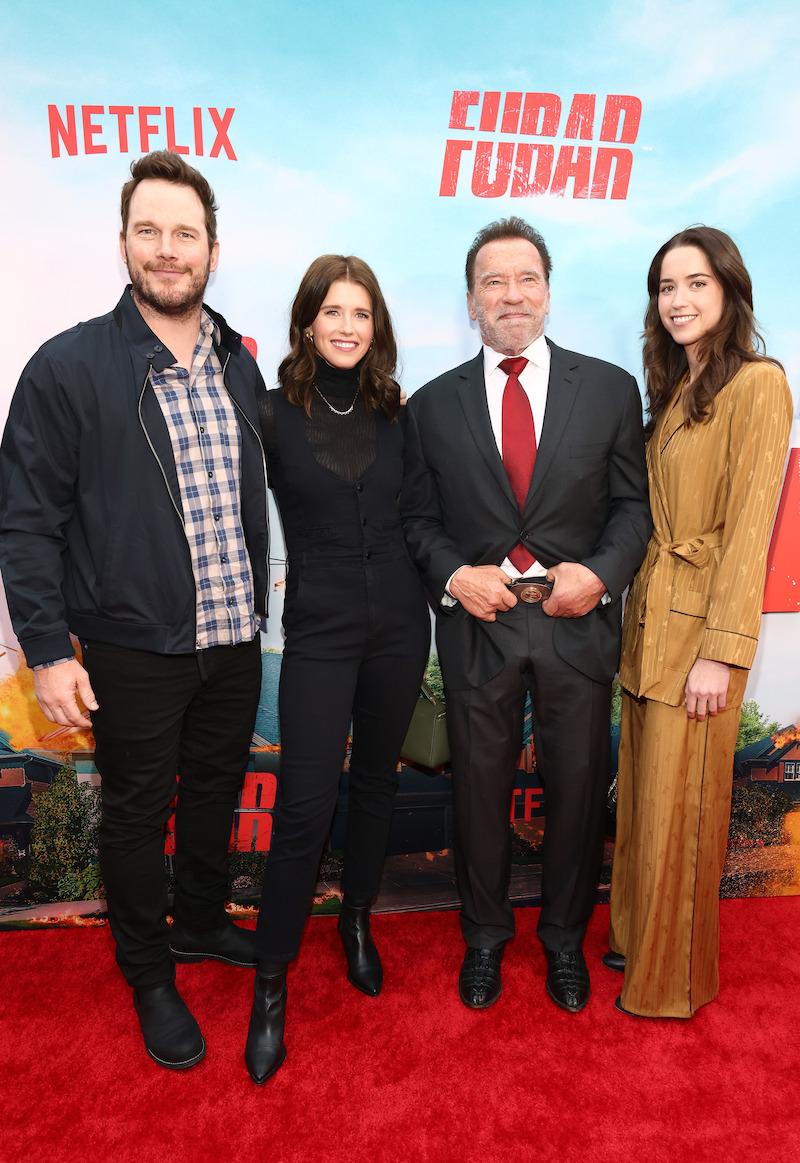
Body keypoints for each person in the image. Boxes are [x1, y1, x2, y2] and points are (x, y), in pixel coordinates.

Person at [0, 151, 270, 1070]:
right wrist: (46, 648)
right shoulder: (66, 367)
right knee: (134, 812)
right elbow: (26, 521)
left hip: (234, 639)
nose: (167, 250)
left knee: (211, 798)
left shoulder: (241, 364)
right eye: (148, 231)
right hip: (129, 646)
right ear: (123, 243)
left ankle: (197, 922)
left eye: (184, 233)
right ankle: (148, 969)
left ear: (212, 249)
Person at [400, 217, 651, 1013]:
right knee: (477, 793)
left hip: (577, 621)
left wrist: (602, 577)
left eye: (526, 278)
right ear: (470, 301)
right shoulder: (432, 405)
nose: (511, 294)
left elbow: (633, 510)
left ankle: (564, 943)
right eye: (493, 282)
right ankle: (484, 937)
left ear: (548, 291)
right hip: (480, 625)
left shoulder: (610, 388)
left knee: (578, 790)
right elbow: (417, 520)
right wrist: (454, 575)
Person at [244, 255, 430, 1085]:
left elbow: (423, 516)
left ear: (375, 325)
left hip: (400, 624)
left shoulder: (399, 414)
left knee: (380, 785)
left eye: (361, 312)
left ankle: (357, 920)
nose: (347, 325)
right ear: (308, 322)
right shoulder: (272, 415)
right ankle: (271, 986)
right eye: (333, 311)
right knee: (304, 806)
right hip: (317, 631)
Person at [606, 226, 793, 1018]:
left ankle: (669, 983)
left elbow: (752, 526)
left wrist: (722, 653)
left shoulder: (759, 383)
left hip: (701, 639)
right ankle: (633, 939)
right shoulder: (675, 393)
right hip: (649, 626)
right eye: (666, 287)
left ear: (729, 293)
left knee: (683, 815)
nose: (678, 300)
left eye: (696, 284)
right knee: (646, 803)